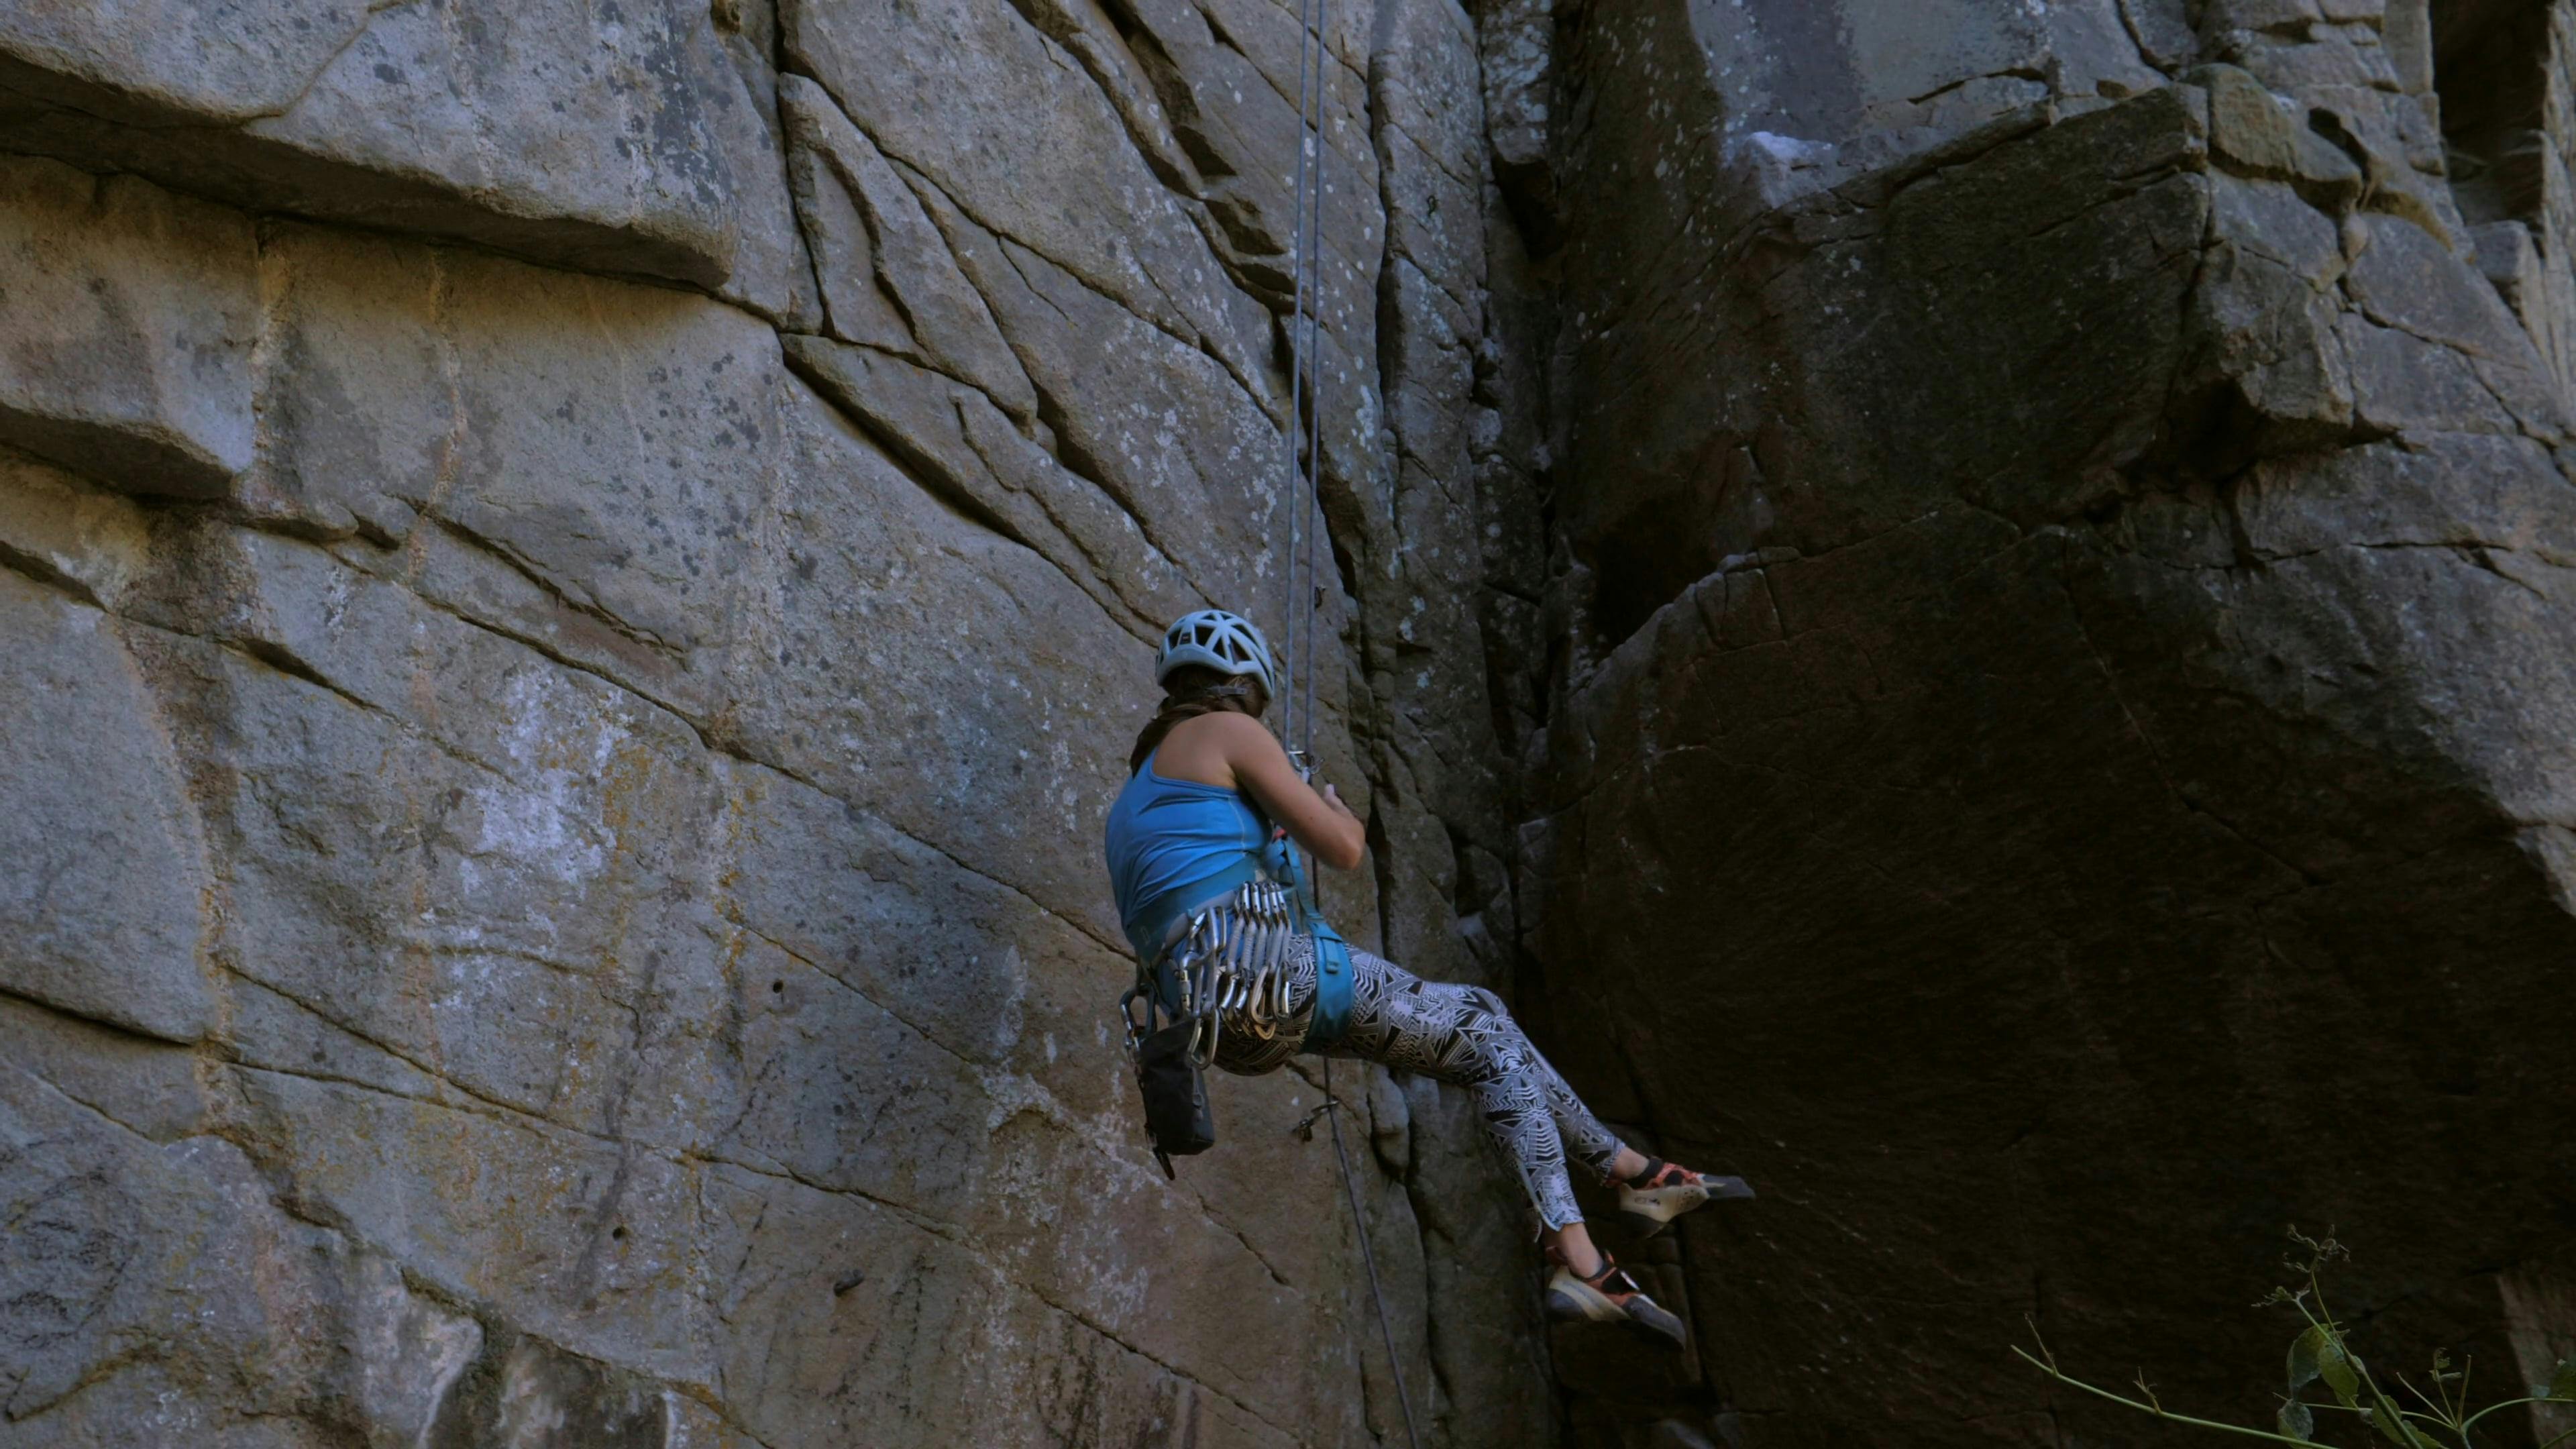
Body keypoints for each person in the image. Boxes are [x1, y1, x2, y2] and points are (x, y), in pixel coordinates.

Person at [1103, 609, 1748, 1348]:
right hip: (1278, 974)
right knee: (1482, 1030)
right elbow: (1343, 849)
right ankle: (1581, 1253)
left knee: (1482, 1024)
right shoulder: (1231, 732)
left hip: (1230, 1027)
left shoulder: (1134, 798)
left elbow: (1192, 887)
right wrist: (1335, 805)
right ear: (1246, 687)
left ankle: (1629, 1172)